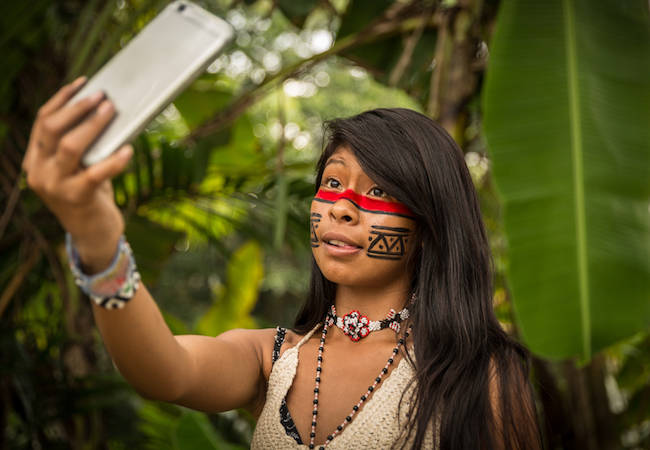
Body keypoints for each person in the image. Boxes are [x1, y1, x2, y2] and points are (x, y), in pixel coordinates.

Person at [23, 78, 542, 449]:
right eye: (333, 182)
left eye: (378, 191)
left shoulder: (481, 377)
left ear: (429, 227)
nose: (342, 204)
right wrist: (98, 242)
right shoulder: (272, 360)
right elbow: (164, 373)